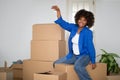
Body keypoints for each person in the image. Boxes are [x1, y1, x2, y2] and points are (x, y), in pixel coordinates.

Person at [51, 5, 96, 80]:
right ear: (77, 19)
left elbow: (91, 47)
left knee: (77, 66)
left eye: (84, 20)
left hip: (84, 55)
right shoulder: (73, 27)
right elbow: (63, 23)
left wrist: (93, 61)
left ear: (87, 22)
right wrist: (58, 11)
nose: (81, 21)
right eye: (80, 19)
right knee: (56, 63)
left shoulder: (88, 32)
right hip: (73, 55)